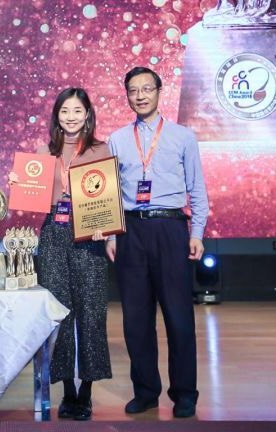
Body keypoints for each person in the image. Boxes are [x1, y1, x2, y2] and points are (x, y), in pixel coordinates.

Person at [106, 66, 209, 419]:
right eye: (133, 90)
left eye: (146, 89)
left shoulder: (183, 137)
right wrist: (110, 234)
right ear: (127, 96)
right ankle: (146, 392)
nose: (140, 96)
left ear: (159, 92)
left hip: (170, 229)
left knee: (179, 317)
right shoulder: (117, 139)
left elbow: (197, 188)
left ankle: (185, 394)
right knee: (136, 319)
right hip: (130, 231)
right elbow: (110, 193)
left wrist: (196, 232)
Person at [9, 87, 112, 421]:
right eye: (65, 111)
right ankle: (67, 391)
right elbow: (33, 195)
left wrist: (106, 228)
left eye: (77, 111)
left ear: (87, 115)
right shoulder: (43, 153)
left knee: (91, 312)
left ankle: (87, 391)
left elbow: (109, 197)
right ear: (56, 116)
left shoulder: (100, 150)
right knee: (59, 312)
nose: (71, 117)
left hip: (89, 230)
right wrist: (18, 184)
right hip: (54, 231)